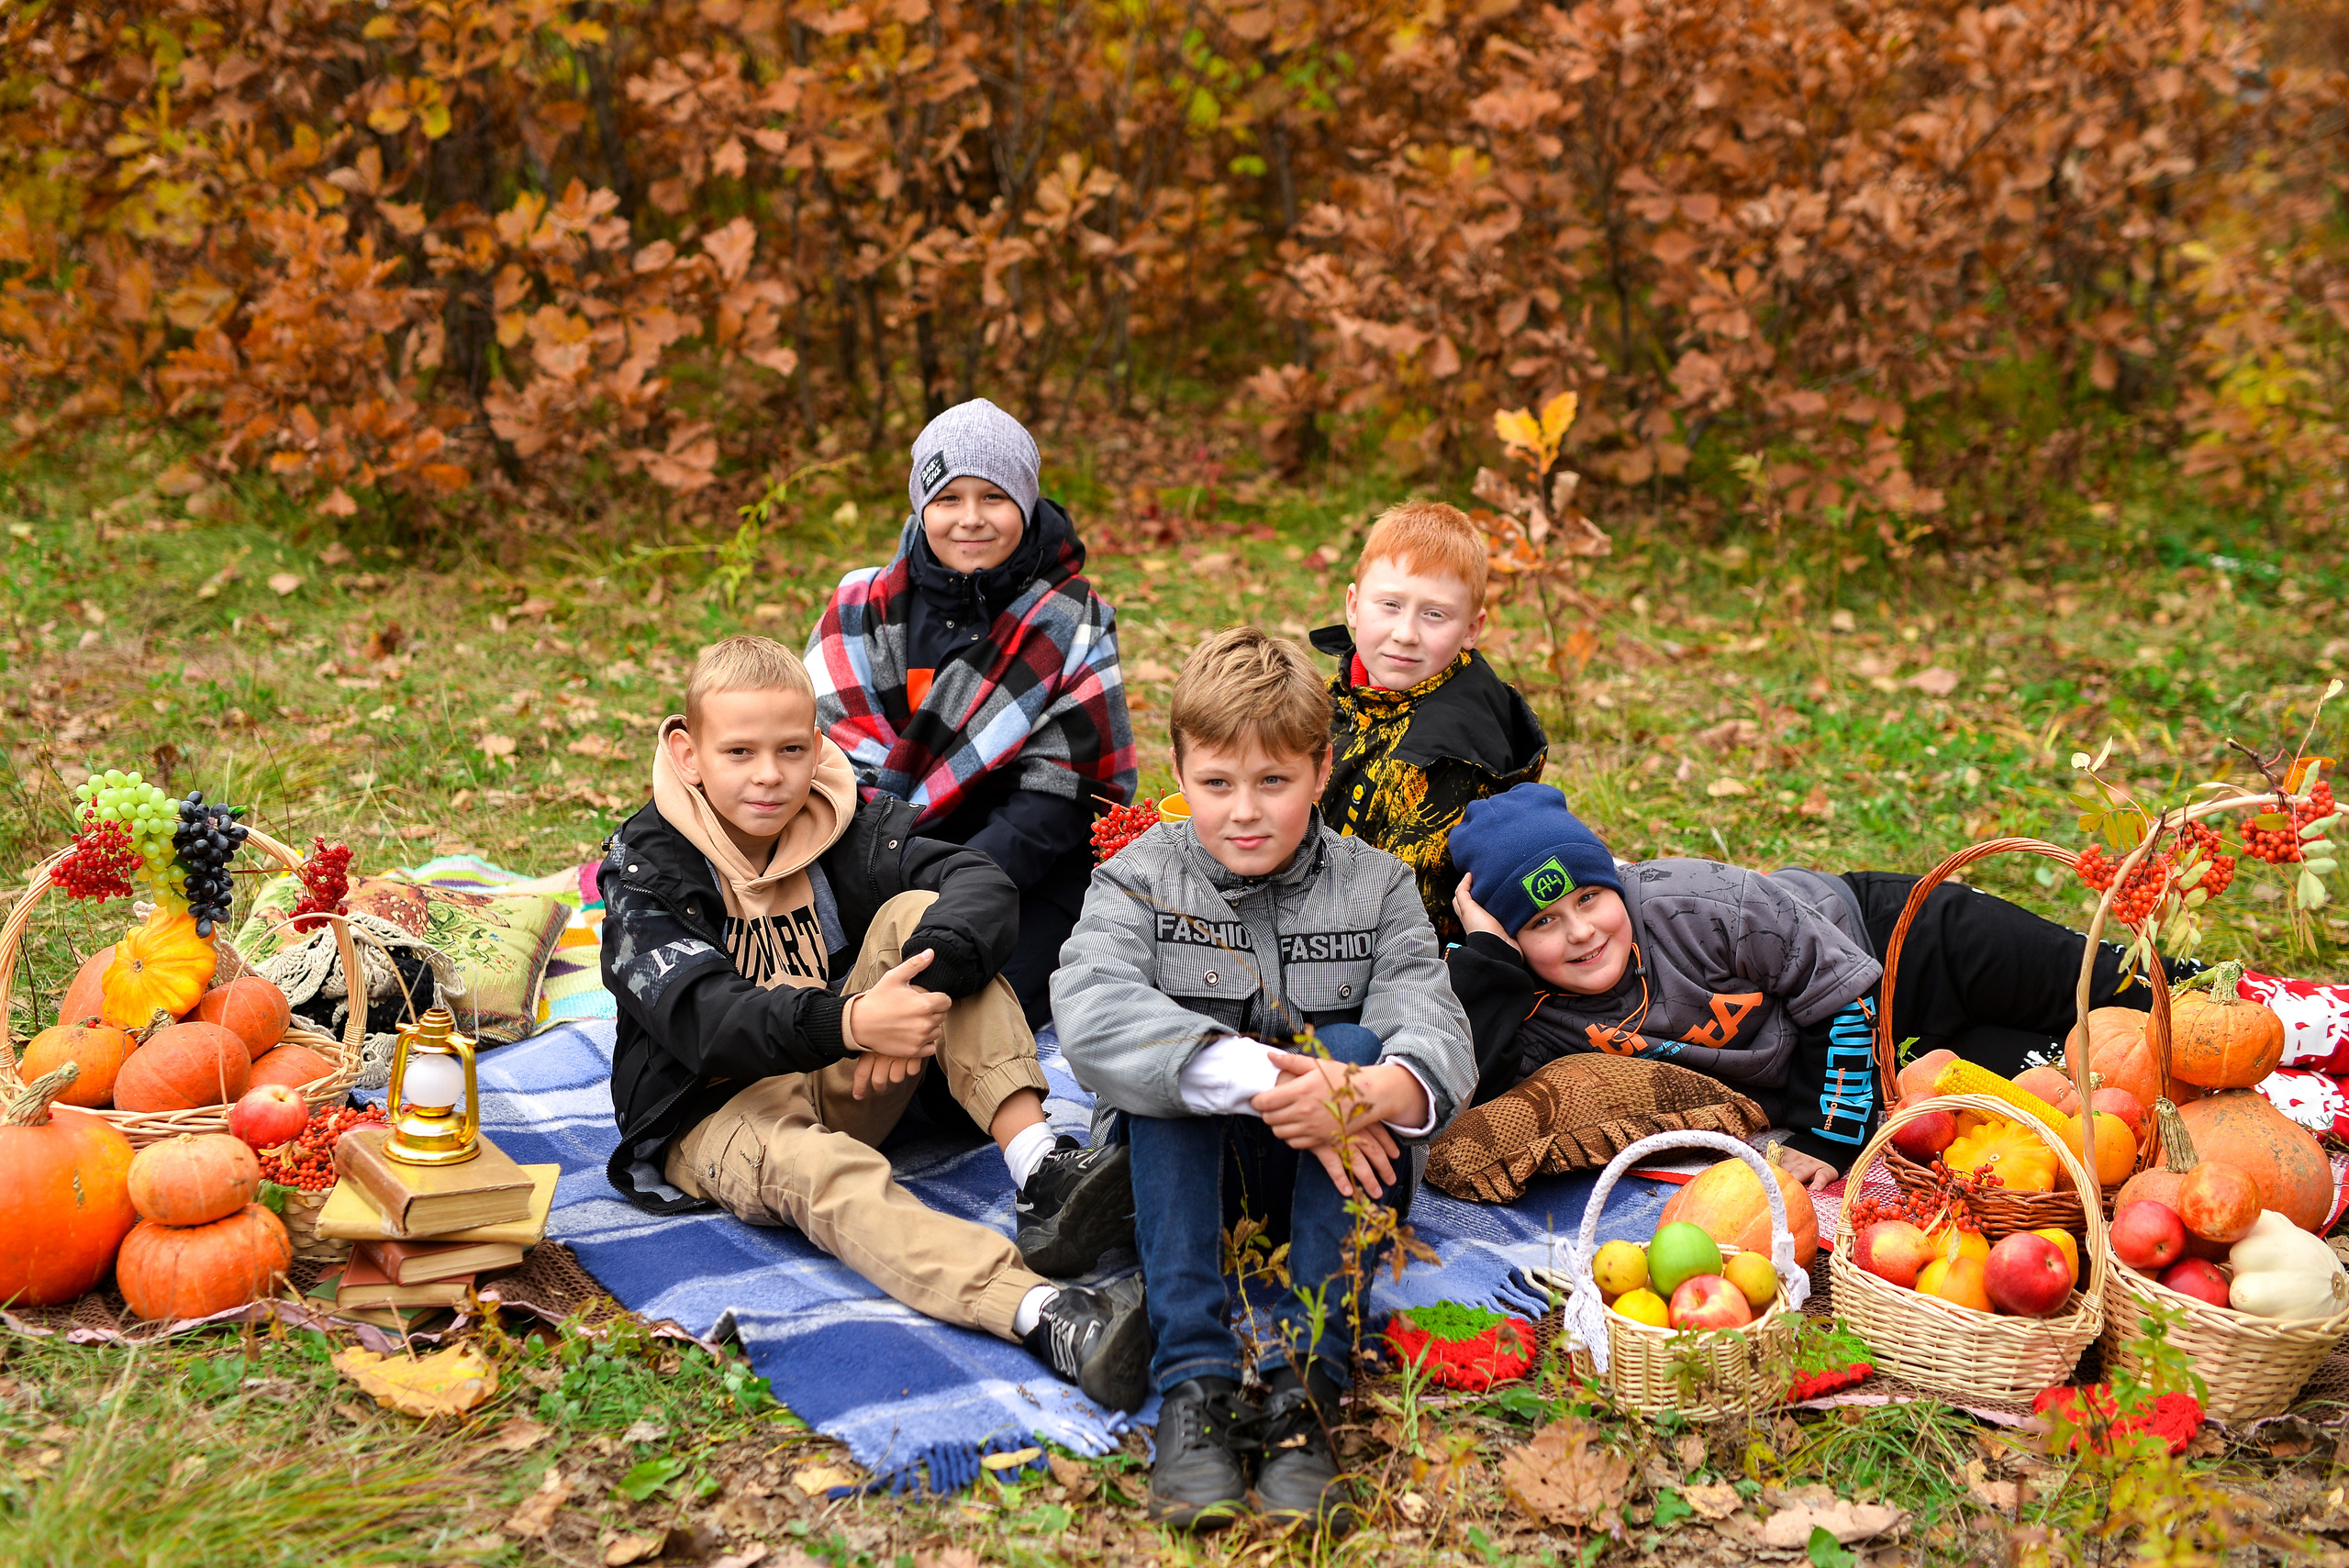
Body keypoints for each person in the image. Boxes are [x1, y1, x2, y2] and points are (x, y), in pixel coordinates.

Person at [599, 635, 1147, 1410]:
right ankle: (1041, 1311)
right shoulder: (644, 866)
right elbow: (703, 1018)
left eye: (792, 749)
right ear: (688, 754)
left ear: (818, 745)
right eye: (740, 751)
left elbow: (975, 879)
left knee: (926, 918)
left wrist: (916, 993)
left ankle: (1043, 1169)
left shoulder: (836, 816)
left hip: (843, 1070)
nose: (769, 774)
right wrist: (856, 1021)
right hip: (714, 1109)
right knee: (826, 1175)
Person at [1052, 627, 1475, 1532]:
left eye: (1273, 782)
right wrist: (1248, 1073)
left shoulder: (1380, 886)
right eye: (1216, 784)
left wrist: (1364, 1094)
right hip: (1184, 1180)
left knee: (1357, 1038)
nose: (1244, 811)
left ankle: (1304, 1396)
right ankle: (1195, 1384)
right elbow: (1088, 1005)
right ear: (1180, 768)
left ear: (1320, 769)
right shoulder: (1138, 878)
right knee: (1168, 1064)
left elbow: (1434, 1022)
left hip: (1337, 1181)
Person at [1442, 783, 2234, 1187]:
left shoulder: (1697, 903)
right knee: (2063, 1081)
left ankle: (2268, 1012)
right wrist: (1483, 958)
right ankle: (2231, 1114)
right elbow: (1464, 1085)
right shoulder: (1537, 1010)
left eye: (1588, 898)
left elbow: (1840, 992)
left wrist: (1830, 1139)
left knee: (2119, 986)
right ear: (1510, 938)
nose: (1581, 930)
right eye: (1542, 922)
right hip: (1889, 1063)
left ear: (1614, 880)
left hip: (1900, 942)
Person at [807, 397, 1135, 1028]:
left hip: (1022, 872)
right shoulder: (862, 607)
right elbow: (829, 764)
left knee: (967, 1010)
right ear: (921, 505)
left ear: (1027, 503)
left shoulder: (1070, 619)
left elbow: (1063, 798)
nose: (971, 519)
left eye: (994, 497)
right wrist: (897, 873)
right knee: (818, 991)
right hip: (875, 856)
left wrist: (959, 890)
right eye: (949, 498)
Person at [1312, 500, 1547, 945]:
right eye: (1390, 605)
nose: (1406, 633)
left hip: (1399, 957)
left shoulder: (1449, 755)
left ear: (1472, 629)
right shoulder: (1342, 693)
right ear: (1354, 605)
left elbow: (1403, 909)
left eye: (1434, 614)